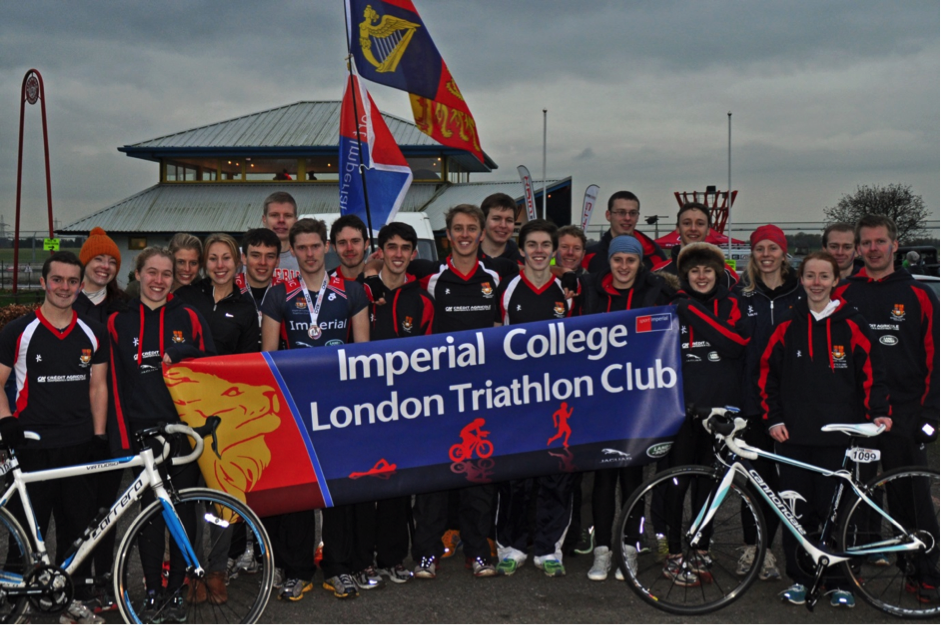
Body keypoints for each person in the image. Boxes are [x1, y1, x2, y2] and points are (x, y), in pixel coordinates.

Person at [365, 204, 518, 580]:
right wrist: (369, 278)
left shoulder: (497, 278)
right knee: (433, 478)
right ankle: (427, 553)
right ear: (447, 236)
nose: (465, 235)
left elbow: (505, 333)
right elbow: (383, 281)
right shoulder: (432, 279)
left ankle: (479, 551)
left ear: (482, 235)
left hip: (482, 396)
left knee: (479, 476)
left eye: (472, 229)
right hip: (437, 398)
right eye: (458, 229)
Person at [760, 251, 892, 609]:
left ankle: (839, 582)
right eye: (809, 276)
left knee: (836, 514)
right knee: (796, 513)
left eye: (824, 276)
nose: (816, 283)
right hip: (793, 438)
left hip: (839, 438)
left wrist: (878, 413)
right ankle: (802, 579)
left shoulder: (853, 323)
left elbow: (872, 374)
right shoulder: (787, 324)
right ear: (800, 280)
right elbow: (766, 375)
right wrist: (773, 418)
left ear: (836, 281)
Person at [261, 219, 369, 601]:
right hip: (295, 407)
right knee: (299, 491)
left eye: (314, 246)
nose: (308, 254)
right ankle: (298, 568)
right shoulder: (278, 295)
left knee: (337, 487)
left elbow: (362, 355)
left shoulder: (352, 292)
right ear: (293, 250)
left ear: (327, 246)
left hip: (339, 408)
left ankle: (338, 567)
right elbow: (270, 358)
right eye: (301, 248)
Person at [107, 247, 216, 622]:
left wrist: (184, 349)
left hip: (181, 433)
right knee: (149, 517)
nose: (158, 280)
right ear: (137, 275)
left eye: (166, 273)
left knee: (183, 513)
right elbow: (113, 384)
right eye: (151, 272)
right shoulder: (117, 321)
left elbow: (211, 365)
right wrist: (122, 437)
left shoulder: (188, 315)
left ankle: (177, 590)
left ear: (175, 278)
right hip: (140, 436)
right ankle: (153, 588)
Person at [834, 215, 940, 604]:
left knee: (911, 500)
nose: (873, 249)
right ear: (858, 249)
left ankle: (923, 573)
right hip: (856, 416)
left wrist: (929, 417)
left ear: (895, 245)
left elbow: (936, 360)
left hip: (905, 415)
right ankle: (846, 572)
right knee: (851, 496)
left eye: (881, 241)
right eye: (867, 243)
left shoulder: (920, 296)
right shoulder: (844, 292)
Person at [0, 251, 108, 625]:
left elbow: (98, 386)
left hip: (79, 445)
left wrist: (98, 434)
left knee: (76, 530)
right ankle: (17, 601)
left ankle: (69, 600)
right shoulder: (19, 330)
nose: (64, 288)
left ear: (81, 286)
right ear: (44, 283)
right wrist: (5, 420)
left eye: (72, 281)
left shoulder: (93, 331)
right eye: (57, 280)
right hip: (32, 446)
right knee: (27, 532)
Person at [583, 235, 673, 582]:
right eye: (618, 260)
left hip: (639, 401)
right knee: (604, 478)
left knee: (633, 478)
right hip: (601, 399)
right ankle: (602, 549)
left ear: (640, 263)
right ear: (609, 261)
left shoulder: (656, 292)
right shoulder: (592, 290)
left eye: (630, 261)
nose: (623, 267)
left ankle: (631, 548)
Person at [661, 243, 751, 586]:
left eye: (708, 270)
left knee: (709, 484)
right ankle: (673, 551)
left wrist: (692, 312)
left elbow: (735, 344)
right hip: (681, 411)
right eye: (694, 271)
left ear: (718, 273)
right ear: (686, 275)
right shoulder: (671, 307)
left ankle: (699, 546)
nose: (701, 276)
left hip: (719, 413)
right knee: (676, 483)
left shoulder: (731, 304)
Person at [493, 219, 576, 578]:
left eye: (545, 244)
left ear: (554, 249)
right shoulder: (506, 289)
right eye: (532, 244)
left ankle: (548, 548)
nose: (539, 251)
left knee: (555, 474)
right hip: (516, 399)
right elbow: (495, 341)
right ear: (521, 248)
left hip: (557, 399)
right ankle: (510, 546)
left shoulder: (568, 291)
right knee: (515, 477)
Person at [361, 221, 435, 586]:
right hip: (360, 407)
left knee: (395, 485)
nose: (398, 254)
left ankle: (391, 557)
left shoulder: (422, 300)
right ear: (381, 251)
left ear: (413, 254)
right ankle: (363, 558)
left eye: (405, 248)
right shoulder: (360, 292)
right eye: (391, 247)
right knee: (361, 483)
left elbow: (430, 357)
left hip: (403, 408)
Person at [733, 224, 801, 582]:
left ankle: (800, 551)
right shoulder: (739, 295)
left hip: (796, 406)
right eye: (759, 248)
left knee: (795, 483)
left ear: (784, 254)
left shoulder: (802, 293)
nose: (766, 255)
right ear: (752, 255)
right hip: (752, 404)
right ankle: (756, 550)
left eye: (772, 248)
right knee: (756, 482)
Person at [73, 228, 129, 613]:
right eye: (98, 259)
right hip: (69, 420)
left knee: (106, 507)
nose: (105, 266)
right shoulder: (66, 301)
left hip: (112, 423)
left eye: (111, 260)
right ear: (84, 262)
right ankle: (76, 581)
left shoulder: (124, 307)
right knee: (74, 507)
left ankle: (106, 577)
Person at [175, 234, 259, 358]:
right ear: (205, 263)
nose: (220, 265)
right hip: (184, 376)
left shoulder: (246, 308)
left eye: (226, 258)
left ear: (237, 262)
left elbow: (247, 361)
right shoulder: (184, 296)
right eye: (213, 259)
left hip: (225, 377)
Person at [654, 202, 738, 288]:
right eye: (687, 223)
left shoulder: (726, 274)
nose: (693, 228)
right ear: (678, 228)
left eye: (700, 224)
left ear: (708, 229)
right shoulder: (659, 273)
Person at [582, 191, 667, 273]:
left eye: (633, 213)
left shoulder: (654, 254)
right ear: (608, 215)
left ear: (637, 217)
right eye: (621, 212)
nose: (627, 218)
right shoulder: (589, 257)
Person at [237, 228, 283, 326]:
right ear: (244, 258)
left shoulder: (287, 291)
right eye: (256, 255)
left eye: (270, 256)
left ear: (277, 261)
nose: (263, 262)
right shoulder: (230, 288)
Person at [261, 191, 299, 282]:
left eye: (287, 216)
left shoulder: (307, 257)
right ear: (264, 219)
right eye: (274, 215)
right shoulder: (242, 257)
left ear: (295, 221)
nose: (281, 220)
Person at [479, 193, 523, 262]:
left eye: (509, 220)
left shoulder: (523, 264)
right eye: (496, 219)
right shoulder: (464, 258)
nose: (503, 225)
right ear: (483, 221)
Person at [329, 214, 369, 282]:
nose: (349, 248)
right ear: (334, 247)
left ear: (366, 244)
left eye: (355, 241)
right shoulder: (325, 283)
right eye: (342, 242)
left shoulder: (380, 280)